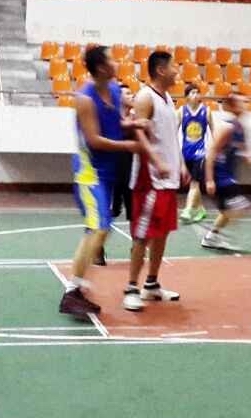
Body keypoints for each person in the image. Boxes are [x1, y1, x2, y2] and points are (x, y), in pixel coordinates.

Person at [60, 46, 142, 320]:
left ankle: (76, 289)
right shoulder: (85, 99)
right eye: (111, 60)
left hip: (107, 173)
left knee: (97, 229)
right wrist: (129, 145)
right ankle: (72, 291)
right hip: (90, 173)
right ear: (101, 67)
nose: (116, 63)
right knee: (99, 227)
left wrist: (135, 125)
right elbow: (94, 140)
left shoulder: (116, 91)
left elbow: (116, 124)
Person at [124, 51, 187, 312]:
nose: (177, 71)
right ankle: (131, 288)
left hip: (168, 180)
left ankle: (151, 284)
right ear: (161, 70)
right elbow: (139, 134)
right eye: (174, 66)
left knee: (162, 232)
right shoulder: (145, 97)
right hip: (149, 179)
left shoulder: (168, 99)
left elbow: (170, 137)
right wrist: (157, 161)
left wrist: (180, 164)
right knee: (143, 234)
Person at [201, 91, 251, 251]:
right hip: (219, 174)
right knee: (238, 207)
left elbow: (249, 155)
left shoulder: (241, 129)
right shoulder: (227, 128)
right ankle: (213, 233)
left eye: (247, 101)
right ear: (232, 106)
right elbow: (211, 153)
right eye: (242, 102)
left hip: (228, 174)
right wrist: (209, 179)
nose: (246, 104)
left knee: (232, 208)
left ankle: (211, 236)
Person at [96, 82, 138, 267]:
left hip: (131, 172)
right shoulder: (111, 116)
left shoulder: (136, 117)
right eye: (128, 93)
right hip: (112, 172)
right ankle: (98, 248)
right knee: (107, 213)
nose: (132, 96)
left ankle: (136, 249)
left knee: (135, 214)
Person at [178, 84, 211, 224]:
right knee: (193, 184)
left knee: (194, 183)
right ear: (186, 97)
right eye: (192, 92)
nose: (196, 95)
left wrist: (215, 151)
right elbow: (172, 132)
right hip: (186, 152)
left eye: (197, 92)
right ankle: (201, 209)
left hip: (200, 153)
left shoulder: (206, 111)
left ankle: (187, 210)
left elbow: (215, 131)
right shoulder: (181, 111)